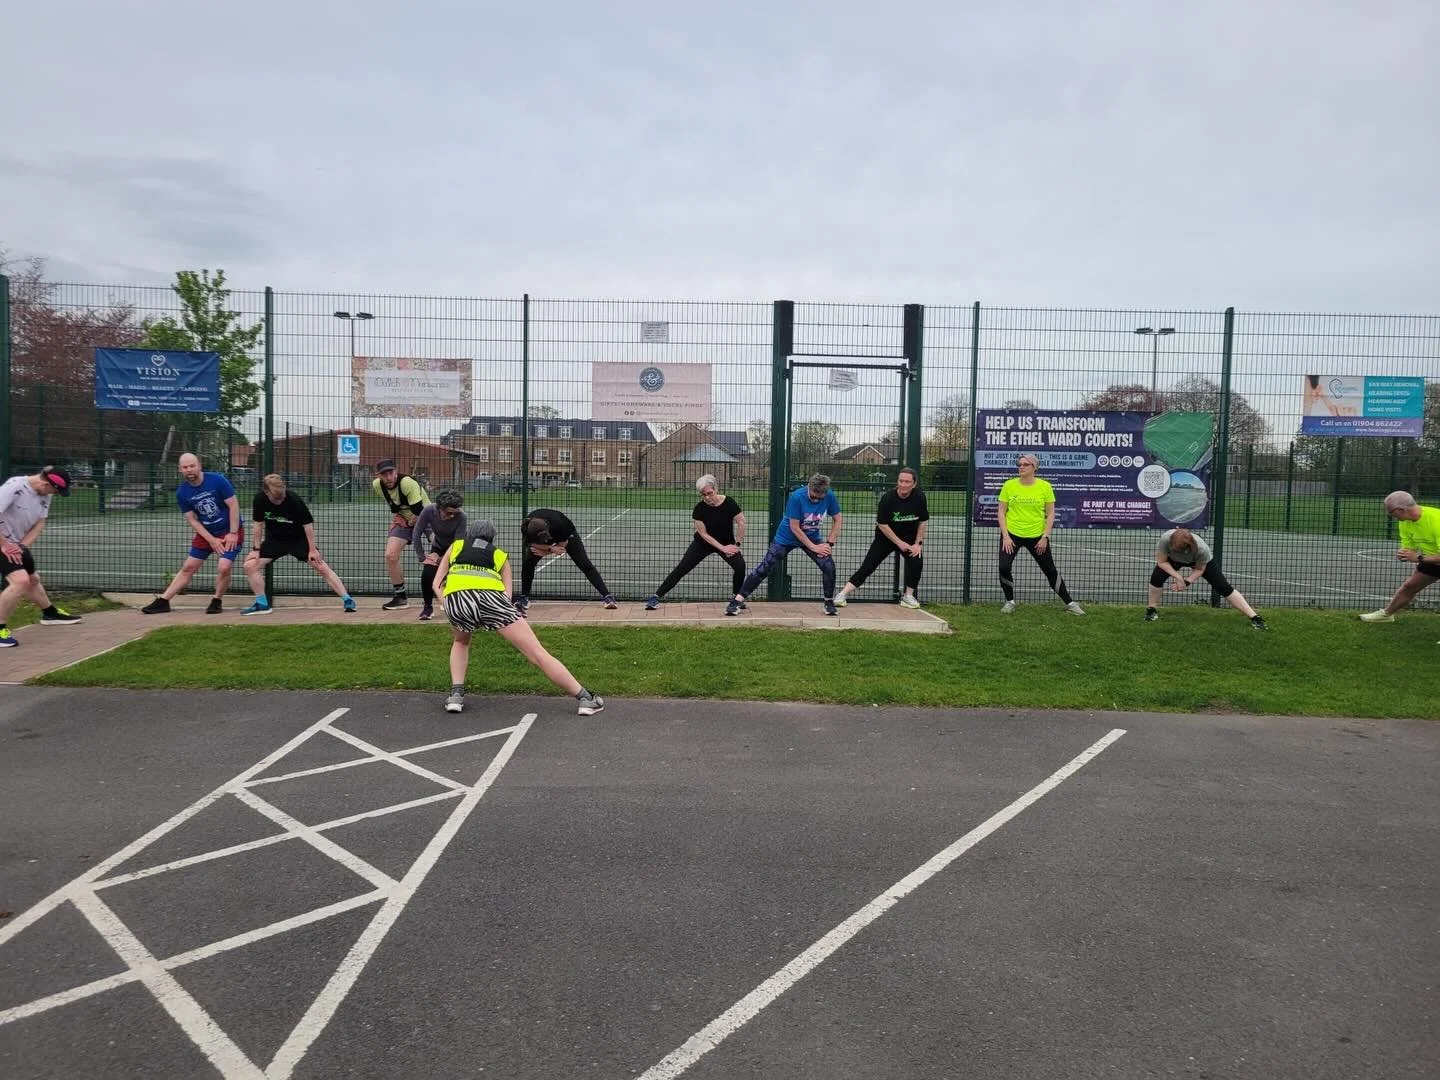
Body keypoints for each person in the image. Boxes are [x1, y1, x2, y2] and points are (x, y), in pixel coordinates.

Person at [434, 518, 605, 716]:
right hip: (492, 599)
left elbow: (437, 583)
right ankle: (586, 698)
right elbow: (506, 597)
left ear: (469, 535)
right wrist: (499, 616)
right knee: (537, 653)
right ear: (492, 538)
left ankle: (456, 696)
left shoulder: (456, 547)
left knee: (461, 642)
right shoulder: (500, 556)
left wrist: (447, 603)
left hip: (456, 599)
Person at [726, 473, 843, 617]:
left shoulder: (829, 496)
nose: (816, 500)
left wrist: (829, 543)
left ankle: (829, 602)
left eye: (820, 498)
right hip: (786, 538)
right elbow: (795, 528)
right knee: (765, 567)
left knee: (828, 566)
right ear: (809, 488)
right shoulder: (797, 497)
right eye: (813, 496)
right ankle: (737, 600)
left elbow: (838, 519)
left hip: (813, 537)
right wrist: (814, 547)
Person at [240, 474, 358, 615]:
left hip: (298, 540)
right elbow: (258, 525)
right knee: (249, 565)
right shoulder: (259, 500)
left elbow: (307, 525)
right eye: (275, 498)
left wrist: (312, 550)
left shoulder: (294, 500)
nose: (280, 501)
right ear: (266, 492)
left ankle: (347, 600)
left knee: (321, 566)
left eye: (282, 497)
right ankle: (262, 604)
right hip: (275, 541)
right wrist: (256, 550)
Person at [141, 453, 243, 615]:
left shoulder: (217, 480)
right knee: (188, 567)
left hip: (229, 530)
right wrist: (211, 540)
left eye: (192, 466)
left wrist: (232, 532)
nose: (189, 470)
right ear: (180, 470)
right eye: (185, 467)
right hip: (206, 533)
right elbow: (192, 519)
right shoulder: (182, 493)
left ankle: (216, 601)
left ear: (199, 466)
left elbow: (234, 505)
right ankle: (164, 601)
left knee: (224, 567)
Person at [0, 466, 80, 648]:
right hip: (2, 543)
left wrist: (22, 546)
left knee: (33, 579)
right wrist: (5, 545)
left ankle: (50, 613)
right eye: (55, 490)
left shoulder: (47, 494)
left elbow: (39, 523)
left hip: (16, 544)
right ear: (45, 483)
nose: (55, 494)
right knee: (20, 582)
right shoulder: (14, 487)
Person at [996, 453, 1085, 615]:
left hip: (1037, 536)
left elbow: (1051, 514)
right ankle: (1009, 602)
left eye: (1025, 464)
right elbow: (1001, 512)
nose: (1020, 467)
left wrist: (1045, 537)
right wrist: (1006, 536)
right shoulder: (1009, 485)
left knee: (1050, 570)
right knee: (1004, 566)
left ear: (1034, 468)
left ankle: (1071, 603)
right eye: (1019, 464)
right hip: (1012, 535)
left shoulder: (1045, 486)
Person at [644, 474, 746, 609]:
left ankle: (736, 598)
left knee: (740, 565)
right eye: (704, 495)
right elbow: (703, 534)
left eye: (710, 493)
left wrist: (736, 545)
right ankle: (656, 597)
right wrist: (722, 548)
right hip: (702, 544)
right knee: (682, 568)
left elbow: (741, 522)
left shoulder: (729, 502)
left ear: (716, 489)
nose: (708, 497)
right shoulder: (699, 509)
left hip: (727, 543)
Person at [834, 466, 928, 609]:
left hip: (909, 538)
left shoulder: (920, 497)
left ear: (914, 484)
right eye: (900, 481)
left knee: (917, 562)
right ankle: (842, 595)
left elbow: (923, 521)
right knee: (868, 566)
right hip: (885, 538)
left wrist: (918, 544)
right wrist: (899, 543)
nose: (903, 484)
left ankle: (908, 596)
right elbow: (883, 524)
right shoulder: (888, 498)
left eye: (907, 482)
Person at [1145, 527, 1266, 629]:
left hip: (1196, 562)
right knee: (1156, 578)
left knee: (1223, 586)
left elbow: (1199, 569)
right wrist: (1178, 577)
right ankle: (1151, 610)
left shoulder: (1202, 549)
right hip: (1172, 561)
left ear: (1188, 549)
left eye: (1178, 550)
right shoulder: (1165, 539)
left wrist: (1187, 582)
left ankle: (1255, 617)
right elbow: (1161, 562)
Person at [1360, 491, 1440, 622]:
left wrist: (1419, 558)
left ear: (1401, 510)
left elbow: (1418, 556)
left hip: (1429, 558)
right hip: (1431, 560)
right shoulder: (1405, 522)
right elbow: (1409, 547)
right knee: (1410, 587)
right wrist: (1404, 554)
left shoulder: (1437, 520)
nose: (1389, 515)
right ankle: (1386, 615)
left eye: (1390, 511)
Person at [516, 508, 617, 612]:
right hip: (545, 545)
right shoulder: (526, 526)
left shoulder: (559, 525)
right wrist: (550, 548)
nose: (545, 540)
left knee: (584, 564)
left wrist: (546, 551)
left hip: (567, 537)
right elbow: (530, 544)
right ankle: (524, 597)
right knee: (528, 564)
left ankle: (607, 596)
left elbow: (562, 547)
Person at [372, 458, 431, 611]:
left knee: (443, 550)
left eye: (390, 473)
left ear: (396, 471)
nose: (388, 477)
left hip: (427, 517)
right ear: (379, 476)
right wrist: (399, 516)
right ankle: (401, 597)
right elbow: (394, 504)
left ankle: (447, 593)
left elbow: (420, 512)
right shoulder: (377, 486)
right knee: (390, 555)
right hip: (405, 519)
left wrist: (409, 522)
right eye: (384, 474)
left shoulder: (407, 483)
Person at [411, 488, 468, 621]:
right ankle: (427, 607)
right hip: (438, 547)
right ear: (439, 509)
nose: (452, 516)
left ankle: (457, 606)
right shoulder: (429, 511)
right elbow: (416, 533)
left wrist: (441, 560)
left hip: (456, 550)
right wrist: (424, 558)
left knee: (456, 576)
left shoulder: (462, 517)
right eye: (448, 513)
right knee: (427, 575)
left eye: (455, 512)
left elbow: (457, 544)